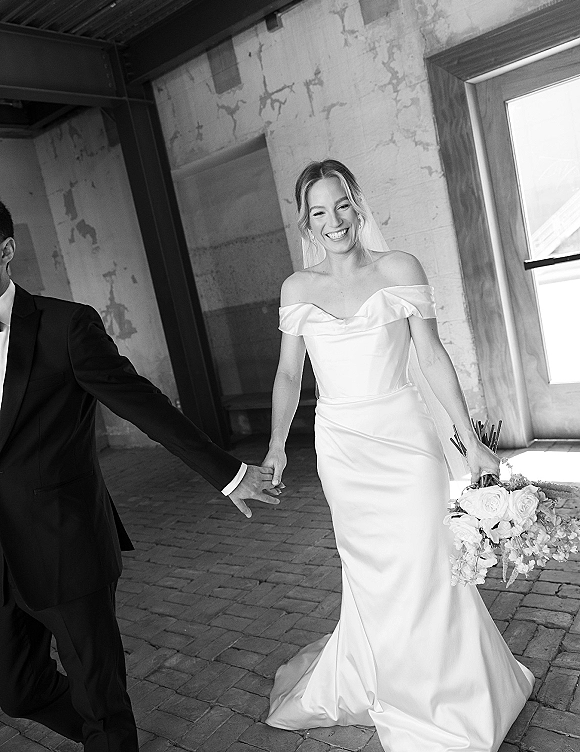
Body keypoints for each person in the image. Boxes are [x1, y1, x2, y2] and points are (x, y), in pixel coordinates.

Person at [262, 160, 533, 751]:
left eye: (341, 204)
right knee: (370, 570)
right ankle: (388, 680)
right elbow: (288, 375)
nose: (332, 220)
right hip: (342, 447)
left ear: (357, 204)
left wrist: (470, 443)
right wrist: (277, 448)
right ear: (305, 222)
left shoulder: (399, 268)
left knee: (430, 559)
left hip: (405, 438)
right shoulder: (298, 289)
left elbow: (432, 357)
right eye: (318, 211)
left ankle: (454, 695)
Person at [0, 199, 281, 751]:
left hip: (63, 545)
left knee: (101, 702)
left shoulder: (65, 325)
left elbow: (144, 406)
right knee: (16, 691)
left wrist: (228, 474)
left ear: (5, 251)